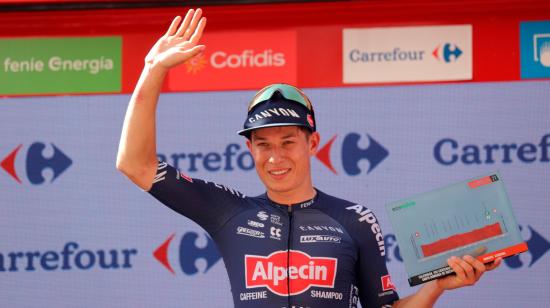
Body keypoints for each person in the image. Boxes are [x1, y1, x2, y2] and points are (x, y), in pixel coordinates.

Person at [116, 8, 501, 308]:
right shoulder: (228, 212)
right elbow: (136, 165)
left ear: (313, 143)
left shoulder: (355, 220)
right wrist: (152, 71)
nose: (275, 156)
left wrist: (436, 287)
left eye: (288, 141)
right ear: (250, 149)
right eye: (263, 144)